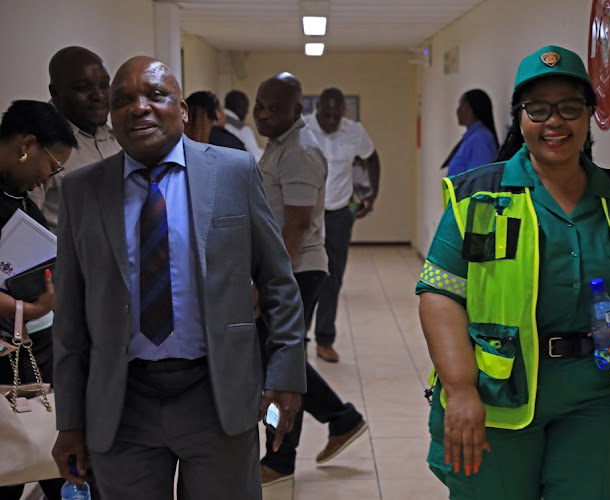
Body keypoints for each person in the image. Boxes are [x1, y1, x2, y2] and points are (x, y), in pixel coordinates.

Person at [416, 45, 610, 500]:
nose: (555, 121)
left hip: (602, 395)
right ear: (520, 118)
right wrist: (461, 391)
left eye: (570, 107)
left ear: (589, 115)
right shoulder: (480, 197)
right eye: (538, 109)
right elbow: (441, 293)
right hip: (499, 394)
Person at [50, 56, 306, 500]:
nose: (139, 108)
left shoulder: (233, 172)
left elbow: (279, 282)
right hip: (121, 404)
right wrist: (69, 421)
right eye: (123, 100)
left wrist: (284, 375)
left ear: (183, 109)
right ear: (112, 116)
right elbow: (70, 316)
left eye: (155, 95)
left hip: (216, 395)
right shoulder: (83, 190)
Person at [253, 73, 368, 486]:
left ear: (296, 110)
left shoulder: (299, 151)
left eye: (275, 108)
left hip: (294, 271)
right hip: (288, 270)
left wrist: (268, 282)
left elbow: (296, 225)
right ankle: (341, 418)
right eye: (260, 106)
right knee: (278, 361)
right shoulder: (279, 146)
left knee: (279, 366)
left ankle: (280, 459)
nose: (264, 115)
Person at [0, 100, 77, 500]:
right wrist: (27, 311)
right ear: (26, 145)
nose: (49, 177)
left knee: (45, 458)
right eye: (52, 164)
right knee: (12, 460)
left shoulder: (18, 199)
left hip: (34, 343)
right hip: (12, 341)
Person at [304, 88, 380, 362]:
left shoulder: (354, 131)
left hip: (338, 214)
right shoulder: (303, 128)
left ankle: (325, 340)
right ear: (318, 110)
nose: (332, 121)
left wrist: (373, 192)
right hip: (306, 213)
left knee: (332, 279)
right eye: (327, 115)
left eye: (337, 116)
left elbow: (371, 157)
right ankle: (298, 341)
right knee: (303, 277)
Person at [28, 46, 121, 235]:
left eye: (104, 85)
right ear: (55, 92)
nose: (99, 96)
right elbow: (25, 231)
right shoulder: (37, 144)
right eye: (82, 88)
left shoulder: (118, 139)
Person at [443, 89, 499, 177]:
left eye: (461, 104)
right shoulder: (471, 138)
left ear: (471, 108)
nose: (458, 110)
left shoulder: (480, 138)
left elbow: (479, 180)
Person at [224, 90, 264, 161]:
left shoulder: (212, 122)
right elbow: (255, 157)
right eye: (245, 107)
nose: (247, 111)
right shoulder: (242, 129)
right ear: (237, 108)